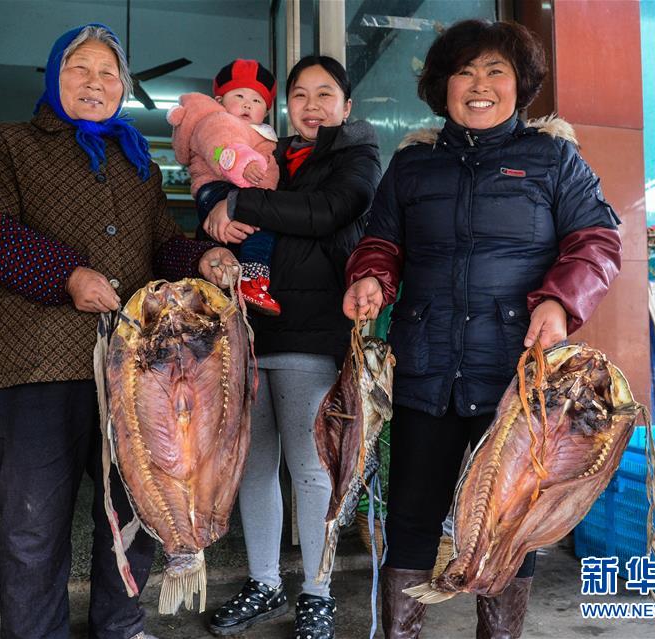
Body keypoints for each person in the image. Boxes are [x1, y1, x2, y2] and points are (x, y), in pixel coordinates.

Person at [0, 23, 233, 639]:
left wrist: (201, 258)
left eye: (109, 73)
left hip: (134, 375)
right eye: (80, 68)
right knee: (34, 522)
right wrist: (66, 276)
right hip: (37, 366)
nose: (95, 82)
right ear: (55, 76)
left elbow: (162, 246)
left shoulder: (139, 164)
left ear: (123, 88)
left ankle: (120, 624)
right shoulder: (7, 144)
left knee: (136, 509)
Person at [342, 19, 622, 639]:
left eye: (496, 71)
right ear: (442, 86)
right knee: (412, 519)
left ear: (520, 85)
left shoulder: (554, 159)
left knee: (509, 523)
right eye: (464, 72)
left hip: (517, 377)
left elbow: (597, 242)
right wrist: (371, 277)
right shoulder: (412, 165)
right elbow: (380, 241)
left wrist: (559, 302)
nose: (479, 85)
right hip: (426, 370)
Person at [202, 55, 382, 639]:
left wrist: (240, 204)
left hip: (312, 331)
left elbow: (327, 212)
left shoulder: (356, 156)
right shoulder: (269, 155)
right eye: (300, 94)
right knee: (254, 468)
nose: (311, 105)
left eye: (325, 94)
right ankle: (264, 582)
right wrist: (215, 224)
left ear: (347, 106)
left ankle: (318, 592)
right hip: (250, 333)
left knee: (310, 470)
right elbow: (217, 200)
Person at [167, 59, 283, 315]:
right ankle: (250, 280)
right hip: (216, 188)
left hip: (236, 194)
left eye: (256, 100)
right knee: (257, 226)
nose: (247, 104)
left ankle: (236, 285)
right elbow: (223, 146)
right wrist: (244, 165)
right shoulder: (217, 120)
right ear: (220, 101)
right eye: (239, 96)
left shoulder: (261, 135)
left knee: (244, 234)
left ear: (265, 111)